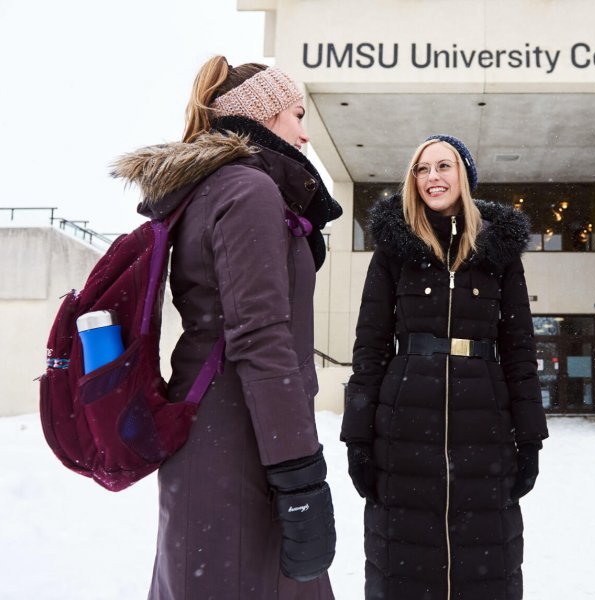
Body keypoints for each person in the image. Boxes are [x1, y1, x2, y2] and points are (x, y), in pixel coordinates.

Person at [111, 56, 342, 599]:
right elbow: (260, 338)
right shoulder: (248, 190)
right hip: (241, 439)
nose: (306, 134)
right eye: (296, 114)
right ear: (260, 118)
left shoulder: (214, 188)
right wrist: (299, 471)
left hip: (219, 429)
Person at [341, 135, 549, 599]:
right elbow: (370, 347)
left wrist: (530, 438)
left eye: (444, 166)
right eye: (422, 169)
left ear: (465, 177)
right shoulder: (394, 249)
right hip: (403, 428)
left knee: (485, 565)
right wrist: (358, 438)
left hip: (486, 427)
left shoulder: (499, 253)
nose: (432, 177)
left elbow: (519, 348)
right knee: (406, 564)